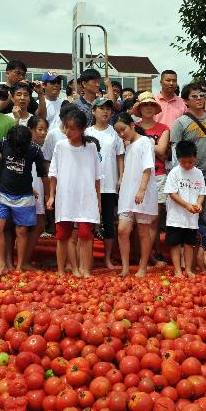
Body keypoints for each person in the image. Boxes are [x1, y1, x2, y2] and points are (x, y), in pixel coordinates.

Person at [169, 83, 206, 270]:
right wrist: (179, 177)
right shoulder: (180, 122)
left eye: (202, 95)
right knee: (186, 217)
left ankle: (203, 256)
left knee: (204, 217)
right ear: (185, 100)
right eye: (194, 96)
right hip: (186, 177)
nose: (199, 98)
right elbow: (174, 150)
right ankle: (187, 260)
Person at [0, 125, 48, 276]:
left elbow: (43, 175)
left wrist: (49, 195)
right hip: (3, 194)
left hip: (25, 196)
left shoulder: (35, 149)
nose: (19, 150)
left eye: (22, 148)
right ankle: (2, 265)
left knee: (21, 230)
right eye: (16, 147)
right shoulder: (3, 143)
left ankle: (20, 266)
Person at [47, 112, 101, 277]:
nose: (67, 132)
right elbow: (53, 173)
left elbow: (98, 176)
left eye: (72, 128)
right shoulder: (60, 146)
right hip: (66, 195)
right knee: (63, 234)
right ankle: (62, 269)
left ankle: (84, 269)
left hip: (86, 195)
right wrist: (51, 196)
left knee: (85, 233)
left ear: (83, 129)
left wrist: (98, 199)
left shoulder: (91, 147)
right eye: (66, 127)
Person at [113, 113, 158, 277]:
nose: (121, 134)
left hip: (141, 191)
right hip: (127, 191)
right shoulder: (129, 145)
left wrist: (142, 189)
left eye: (123, 129)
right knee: (122, 230)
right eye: (118, 132)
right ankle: (125, 267)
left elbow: (147, 168)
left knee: (143, 231)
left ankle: (143, 267)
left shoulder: (145, 142)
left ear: (132, 125)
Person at [131, 92, 170, 264]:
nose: (148, 108)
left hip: (158, 176)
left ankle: (149, 257)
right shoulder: (132, 126)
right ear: (139, 108)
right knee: (134, 221)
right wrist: (150, 144)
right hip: (135, 177)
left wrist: (141, 142)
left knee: (153, 220)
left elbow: (162, 151)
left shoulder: (164, 128)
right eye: (145, 105)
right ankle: (137, 255)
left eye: (151, 105)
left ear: (155, 108)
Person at [87, 98, 125, 269]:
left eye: (108, 109)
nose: (105, 112)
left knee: (109, 222)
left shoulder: (114, 133)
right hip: (88, 185)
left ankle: (108, 258)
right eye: (101, 108)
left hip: (109, 185)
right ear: (93, 111)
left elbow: (120, 156)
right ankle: (87, 258)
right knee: (87, 222)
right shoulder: (86, 132)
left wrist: (121, 177)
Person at [164, 140, 206, 277]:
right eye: (184, 162)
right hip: (176, 217)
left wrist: (199, 204)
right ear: (178, 159)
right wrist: (186, 205)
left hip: (191, 218)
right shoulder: (174, 173)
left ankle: (188, 269)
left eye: (191, 162)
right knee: (175, 244)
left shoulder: (198, 173)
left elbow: (202, 192)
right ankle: (177, 269)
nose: (188, 165)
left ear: (195, 157)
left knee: (190, 244)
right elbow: (171, 193)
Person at [25, 117, 49, 268]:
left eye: (45, 130)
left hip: (38, 188)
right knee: (30, 225)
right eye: (39, 129)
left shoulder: (39, 148)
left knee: (39, 224)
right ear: (30, 130)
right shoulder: (26, 147)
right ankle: (23, 260)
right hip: (29, 189)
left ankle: (25, 259)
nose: (43, 133)